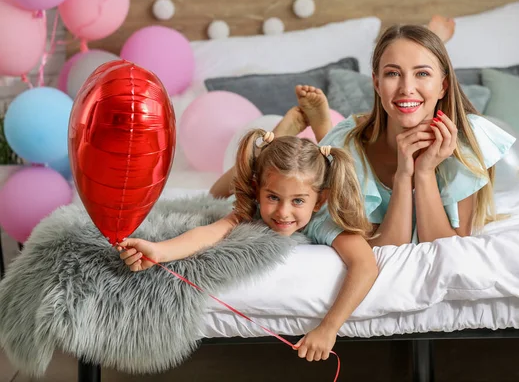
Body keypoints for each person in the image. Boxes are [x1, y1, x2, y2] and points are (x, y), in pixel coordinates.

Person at [118, 128, 379, 363]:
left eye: (298, 201)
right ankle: (282, 131)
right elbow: (210, 233)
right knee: (215, 193)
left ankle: (299, 124)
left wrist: (329, 328)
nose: (283, 212)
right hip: (253, 181)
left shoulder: (324, 221)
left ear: (319, 201)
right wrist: (159, 251)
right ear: (257, 191)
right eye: (273, 197)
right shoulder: (253, 209)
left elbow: (365, 265)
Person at [259, 24, 515, 247]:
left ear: (443, 86)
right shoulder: (349, 147)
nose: (406, 88)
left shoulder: (465, 141)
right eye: (393, 74)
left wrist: (424, 172)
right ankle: (302, 131)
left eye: (422, 73)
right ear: (377, 83)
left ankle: (321, 126)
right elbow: (385, 245)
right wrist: (404, 174)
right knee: (264, 169)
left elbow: (445, 246)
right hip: (346, 145)